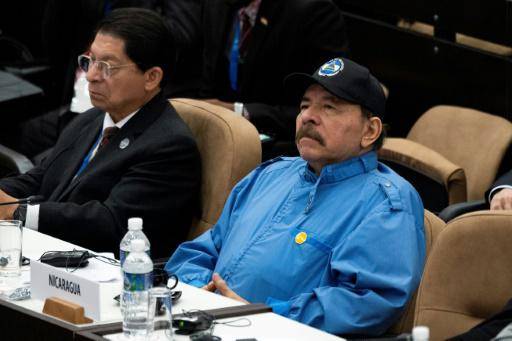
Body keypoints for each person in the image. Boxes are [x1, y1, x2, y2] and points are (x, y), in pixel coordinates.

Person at [165, 57, 425, 335]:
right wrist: (202, 292)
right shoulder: (271, 174)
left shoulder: (386, 203)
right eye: (305, 105)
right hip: (204, 323)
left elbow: (365, 301)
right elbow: (202, 251)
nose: (308, 116)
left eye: (329, 107)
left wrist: (263, 314)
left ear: (370, 131)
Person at [0, 8, 201, 258]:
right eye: (89, 60)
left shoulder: (169, 146)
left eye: (106, 66)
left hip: (106, 279)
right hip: (47, 258)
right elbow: (39, 178)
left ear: (151, 77)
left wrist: (16, 212)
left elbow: (111, 224)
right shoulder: (92, 118)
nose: (91, 75)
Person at [197, 0, 349, 156]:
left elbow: (322, 110)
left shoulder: (315, 12)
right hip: (220, 133)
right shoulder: (216, 5)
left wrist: (240, 111)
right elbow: (205, 84)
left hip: (280, 147)